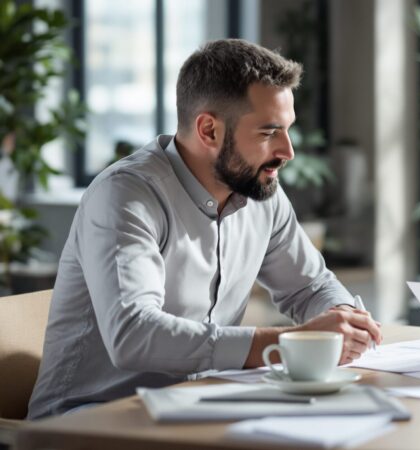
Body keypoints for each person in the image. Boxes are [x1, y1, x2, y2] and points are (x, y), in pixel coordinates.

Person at [28, 39, 381, 419]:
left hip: (198, 405)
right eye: (268, 133)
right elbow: (133, 334)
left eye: (287, 130)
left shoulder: (260, 195)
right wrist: (288, 343)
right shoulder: (126, 195)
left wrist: (344, 319)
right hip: (90, 419)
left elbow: (310, 286)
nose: (287, 151)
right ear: (209, 130)